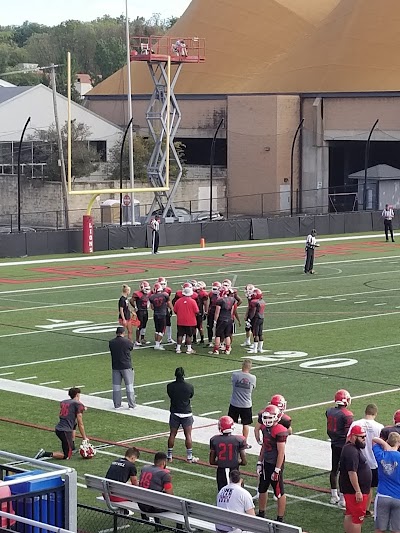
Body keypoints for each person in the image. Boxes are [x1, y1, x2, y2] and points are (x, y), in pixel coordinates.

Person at [347, 404, 383, 516]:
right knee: (369, 487)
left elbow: (348, 439)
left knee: (353, 483)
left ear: (365, 412)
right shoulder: (379, 427)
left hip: (357, 458)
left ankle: (353, 507)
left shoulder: (356, 423)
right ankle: (365, 510)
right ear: (375, 413)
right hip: (372, 461)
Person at [34, 387, 88, 460]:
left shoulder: (64, 402)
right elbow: (80, 423)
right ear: (77, 395)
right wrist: (84, 437)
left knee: (73, 424)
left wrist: (82, 408)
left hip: (59, 428)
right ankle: (44, 453)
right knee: (67, 456)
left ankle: (72, 446)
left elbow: (70, 407)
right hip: (65, 431)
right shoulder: (78, 404)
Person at [257, 404, 288, 522]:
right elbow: (264, 446)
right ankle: (261, 513)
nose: (268, 420)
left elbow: (281, 453)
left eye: (271, 418)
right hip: (266, 463)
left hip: (275, 464)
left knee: (279, 491)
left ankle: (280, 518)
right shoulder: (265, 429)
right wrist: (260, 462)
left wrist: (277, 469)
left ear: (277, 417)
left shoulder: (280, 431)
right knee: (262, 488)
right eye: (266, 418)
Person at [339, 425, 372, 533]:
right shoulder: (351, 451)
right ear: (353, 437)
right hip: (355, 491)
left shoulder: (351, 448)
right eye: (361, 437)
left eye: (365, 436)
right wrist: (358, 491)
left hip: (352, 490)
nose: (364, 439)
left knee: (350, 514)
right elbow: (352, 472)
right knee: (357, 519)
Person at [326, 388, 354, 507]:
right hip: (343, 444)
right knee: (344, 472)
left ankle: (333, 495)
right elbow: (348, 433)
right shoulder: (347, 415)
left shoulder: (329, 411)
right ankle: (343, 498)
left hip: (334, 442)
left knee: (334, 470)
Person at [166, 367, 198, 463]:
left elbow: (170, 395)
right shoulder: (189, 386)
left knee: (172, 434)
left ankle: (169, 456)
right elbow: (191, 396)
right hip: (186, 412)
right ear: (184, 375)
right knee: (188, 435)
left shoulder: (170, 386)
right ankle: (189, 457)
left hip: (175, 412)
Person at [210, 416, 247, 491]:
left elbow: (212, 461)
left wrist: (223, 462)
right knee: (237, 491)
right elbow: (244, 461)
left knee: (223, 492)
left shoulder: (214, 439)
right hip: (234, 469)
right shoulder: (239, 439)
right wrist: (235, 461)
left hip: (221, 470)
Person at [372, 432, 400, 533]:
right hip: (398, 497)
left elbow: (374, 440)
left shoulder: (381, 455)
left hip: (383, 495)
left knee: (379, 528)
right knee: (397, 529)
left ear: (388, 441)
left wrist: (384, 444)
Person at [228, 359, 256, 447]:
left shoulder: (235, 375)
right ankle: (244, 442)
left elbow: (233, 382)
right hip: (246, 404)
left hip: (234, 403)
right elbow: (253, 387)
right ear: (250, 367)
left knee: (231, 422)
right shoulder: (252, 378)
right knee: (245, 424)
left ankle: (229, 440)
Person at [108, 326, 135, 409]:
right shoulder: (127, 342)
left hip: (115, 366)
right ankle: (131, 404)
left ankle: (117, 404)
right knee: (129, 386)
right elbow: (131, 347)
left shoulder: (111, 342)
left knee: (116, 387)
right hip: (126, 366)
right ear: (123, 333)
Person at [173, 283, 199, 354]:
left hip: (180, 321)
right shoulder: (193, 301)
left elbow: (175, 310)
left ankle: (178, 348)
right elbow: (197, 311)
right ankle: (189, 349)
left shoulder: (178, 301)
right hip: (190, 321)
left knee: (180, 335)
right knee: (189, 335)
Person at [211, 288, 236, 355]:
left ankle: (216, 350)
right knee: (227, 335)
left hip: (221, 319)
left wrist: (215, 321)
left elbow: (217, 312)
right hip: (229, 318)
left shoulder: (220, 300)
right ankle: (227, 349)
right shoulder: (232, 299)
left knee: (218, 335)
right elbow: (231, 311)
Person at [149, 282, 174, 350]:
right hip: (162, 314)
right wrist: (172, 309)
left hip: (156, 314)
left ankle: (157, 343)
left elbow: (152, 307)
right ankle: (157, 345)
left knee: (157, 330)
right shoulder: (165, 294)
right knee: (162, 330)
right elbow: (169, 303)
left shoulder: (151, 297)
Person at [130, 281, 151, 347]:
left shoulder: (148, 293)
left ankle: (142, 338)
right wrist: (135, 307)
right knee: (139, 325)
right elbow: (131, 300)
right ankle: (137, 340)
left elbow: (149, 299)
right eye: (146, 289)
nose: (147, 290)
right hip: (140, 311)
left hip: (145, 310)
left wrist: (148, 304)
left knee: (144, 325)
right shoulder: (137, 294)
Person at [246, 288, 266, 354]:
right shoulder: (262, 301)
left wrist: (249, 319)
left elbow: (253, 312)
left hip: (256, 318)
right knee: (260, 333)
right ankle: (260, 348)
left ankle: (255, 349)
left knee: (255, 334)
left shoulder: (254, 302)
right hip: (262, 318)